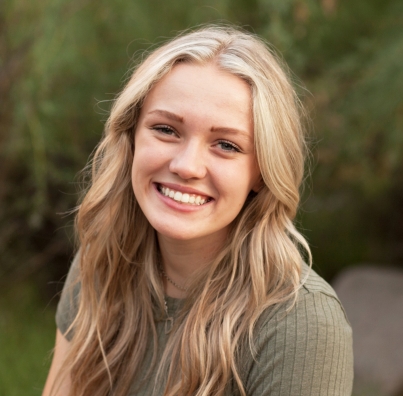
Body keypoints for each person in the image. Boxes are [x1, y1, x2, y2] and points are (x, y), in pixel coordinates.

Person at [43, 26, 353, 396]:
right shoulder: (102, 262)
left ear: (261, 173)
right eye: (166, 129)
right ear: (131, 138)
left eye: (226, 145)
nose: (187, 166)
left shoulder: (300, 324)